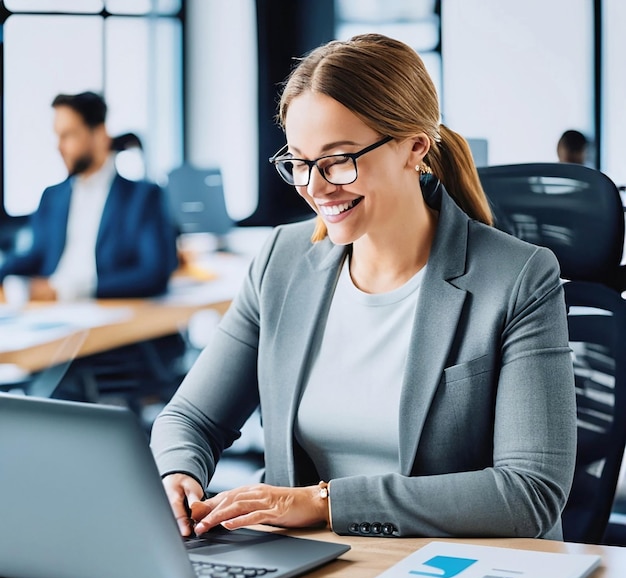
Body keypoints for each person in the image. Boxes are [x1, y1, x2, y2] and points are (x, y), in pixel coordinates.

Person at [151, 34, 577, 540]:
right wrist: (178, 473)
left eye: (338, 160)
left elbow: (529, 493)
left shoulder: (518, 277)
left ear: (415, 145)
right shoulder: (280, 262)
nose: (315, 186)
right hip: (305, 570)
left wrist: (324, 503)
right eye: (300, 162)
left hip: (453, 573)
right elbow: (192, 417)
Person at [0, 91, 178, 300]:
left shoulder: (143, 197)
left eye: (69, 135)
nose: (59, 146)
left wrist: (70, 290)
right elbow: (34, 255)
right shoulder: (52, 197)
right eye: (58, 136)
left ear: (100, 135)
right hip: (46, 311)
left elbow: (153, 274)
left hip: (106, 307)